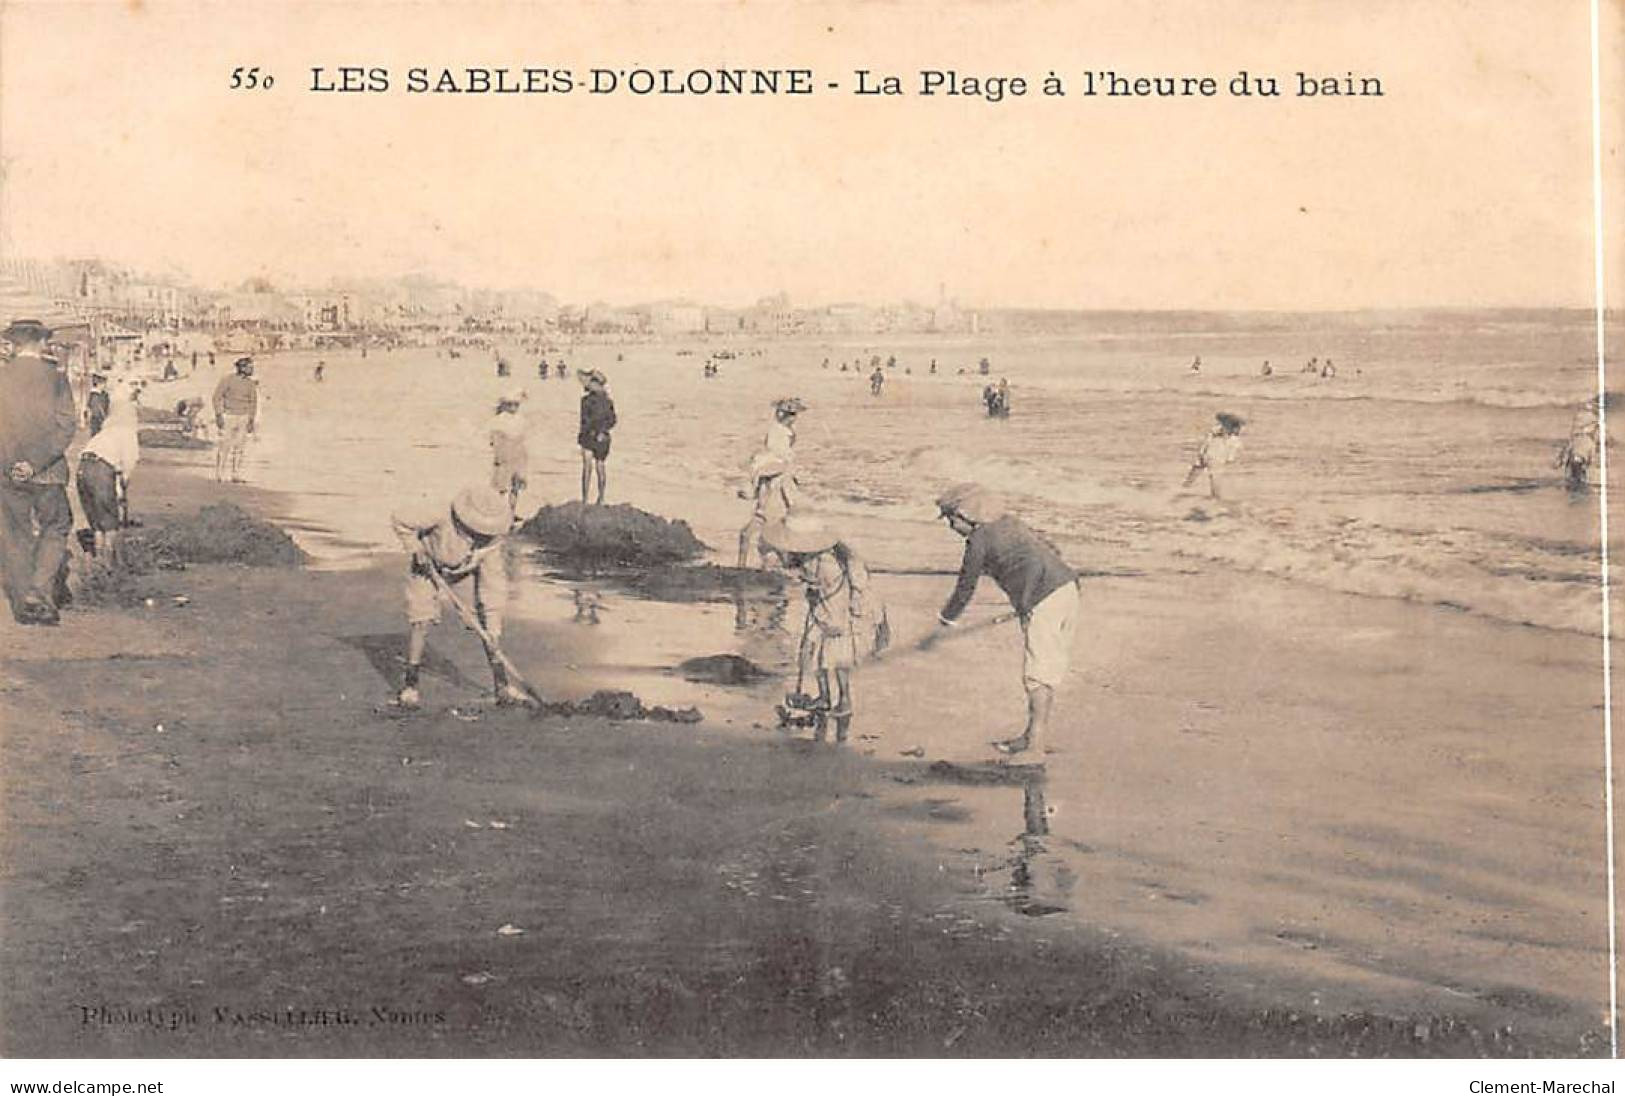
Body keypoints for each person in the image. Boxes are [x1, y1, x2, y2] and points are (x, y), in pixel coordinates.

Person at [929, 485, 1079, 760]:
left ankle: (1035, 749)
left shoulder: (978, 540)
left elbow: (965, 587)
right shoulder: (1011, 523)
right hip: (1066, 589)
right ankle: (1032, 736)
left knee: (1036, 676)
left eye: (952, 519)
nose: (951, 526)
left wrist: (944, 621)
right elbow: (1051, 548)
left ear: (968, 516)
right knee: (1044, 670)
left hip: (1045, 600)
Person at [390, 485, 526, 709]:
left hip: (464, 570)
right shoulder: (438, 512)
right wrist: (416, 549)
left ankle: (502, 685)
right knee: (420, 620)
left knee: (486, 624)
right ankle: (410, 685)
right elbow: (400, 519)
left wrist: (493, 628)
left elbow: (492, 587)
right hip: (428, 565)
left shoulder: (491, 543)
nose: (478, 537)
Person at [763, 514, 884, 741]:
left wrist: (806, 582)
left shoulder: (826, 561)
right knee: (817, 652)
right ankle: (826, 697)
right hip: (825, 607)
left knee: (835, 657)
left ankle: (844, 700)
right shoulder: (824, 555)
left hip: (835, 610)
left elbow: (819, 581)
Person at [0, 320, 78, 625]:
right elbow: (66, 425)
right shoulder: (57, 379)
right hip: (48, 471)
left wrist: (11, 463)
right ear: (41, 342)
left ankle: (22, 603)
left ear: (13, 344)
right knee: (56, 526)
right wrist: (34, 463)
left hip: (6, 472)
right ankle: (40, 592)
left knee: (15, 534)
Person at [76, 379, 141, 564]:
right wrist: (122, 490)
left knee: (97, 520)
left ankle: (97, 559)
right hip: (101, 469)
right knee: (111, 519)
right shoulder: (128, 434)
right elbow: (128, 467)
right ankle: (109, 562)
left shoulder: (105, 432)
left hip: (82, 467)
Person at [738, 397, 804, 567]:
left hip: (776, 465)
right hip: (778, 466)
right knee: (779, 515)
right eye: (793, 415)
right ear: (788, 416)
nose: (794, 419)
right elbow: (779, 454)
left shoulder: (780, 430)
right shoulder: (780, 432)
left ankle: (745, 563)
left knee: (765, 518)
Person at [212, 357, 259, 483]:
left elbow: (253, 402)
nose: (252, 369)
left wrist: (251, 420)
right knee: (224, 446)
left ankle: (235, 474)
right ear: (242, 368)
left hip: (243, 417)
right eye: (249, 367)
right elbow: (217, 397)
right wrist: (218, 415)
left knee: (239, 447)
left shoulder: (250, 384)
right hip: (228, 416)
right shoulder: (228, 380)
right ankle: (220, 473)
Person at [1181, 411, 1246, 499]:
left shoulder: (1216, 432)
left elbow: (1207, 441)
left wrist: (1202, 452)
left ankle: (1188, 484)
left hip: (1210, 454)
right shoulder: (1232, 438)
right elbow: (1232, 451)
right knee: (1214, 476)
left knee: (1199, 469)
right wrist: (1230, 458)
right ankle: (1215, 495)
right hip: (1215, 456)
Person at [577, 369, 616, 504]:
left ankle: (585, 498)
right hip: (602, 437)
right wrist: (602, 431)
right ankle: (601, 497)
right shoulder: (608, 401)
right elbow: (612, 420)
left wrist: (590, 433)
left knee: (588, 467)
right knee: (600, 466)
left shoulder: (585, 400)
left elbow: (584, 421)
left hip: (589, 436)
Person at [488, 390, 530, 506]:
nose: (513, 407)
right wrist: (498, 455)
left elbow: (523, 438)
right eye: (510, 404)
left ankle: (511, 511)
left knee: (515, 486)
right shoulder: (499, 419)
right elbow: (494, 439)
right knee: (501, 486)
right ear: (505, 405)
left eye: (516, 404)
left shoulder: (521, 419)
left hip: (518, 454)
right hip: (504, 455)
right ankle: (499, 510)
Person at [1557, 400, 1602, 491]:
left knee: (1572, 478)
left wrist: (1560, 460)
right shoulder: (1590, 442)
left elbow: (1567, 449)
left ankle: (1572, 485)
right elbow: (1591, 458)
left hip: (1573, 459)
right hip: (1580, 461)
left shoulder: (1576, 439)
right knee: (1580, 478)